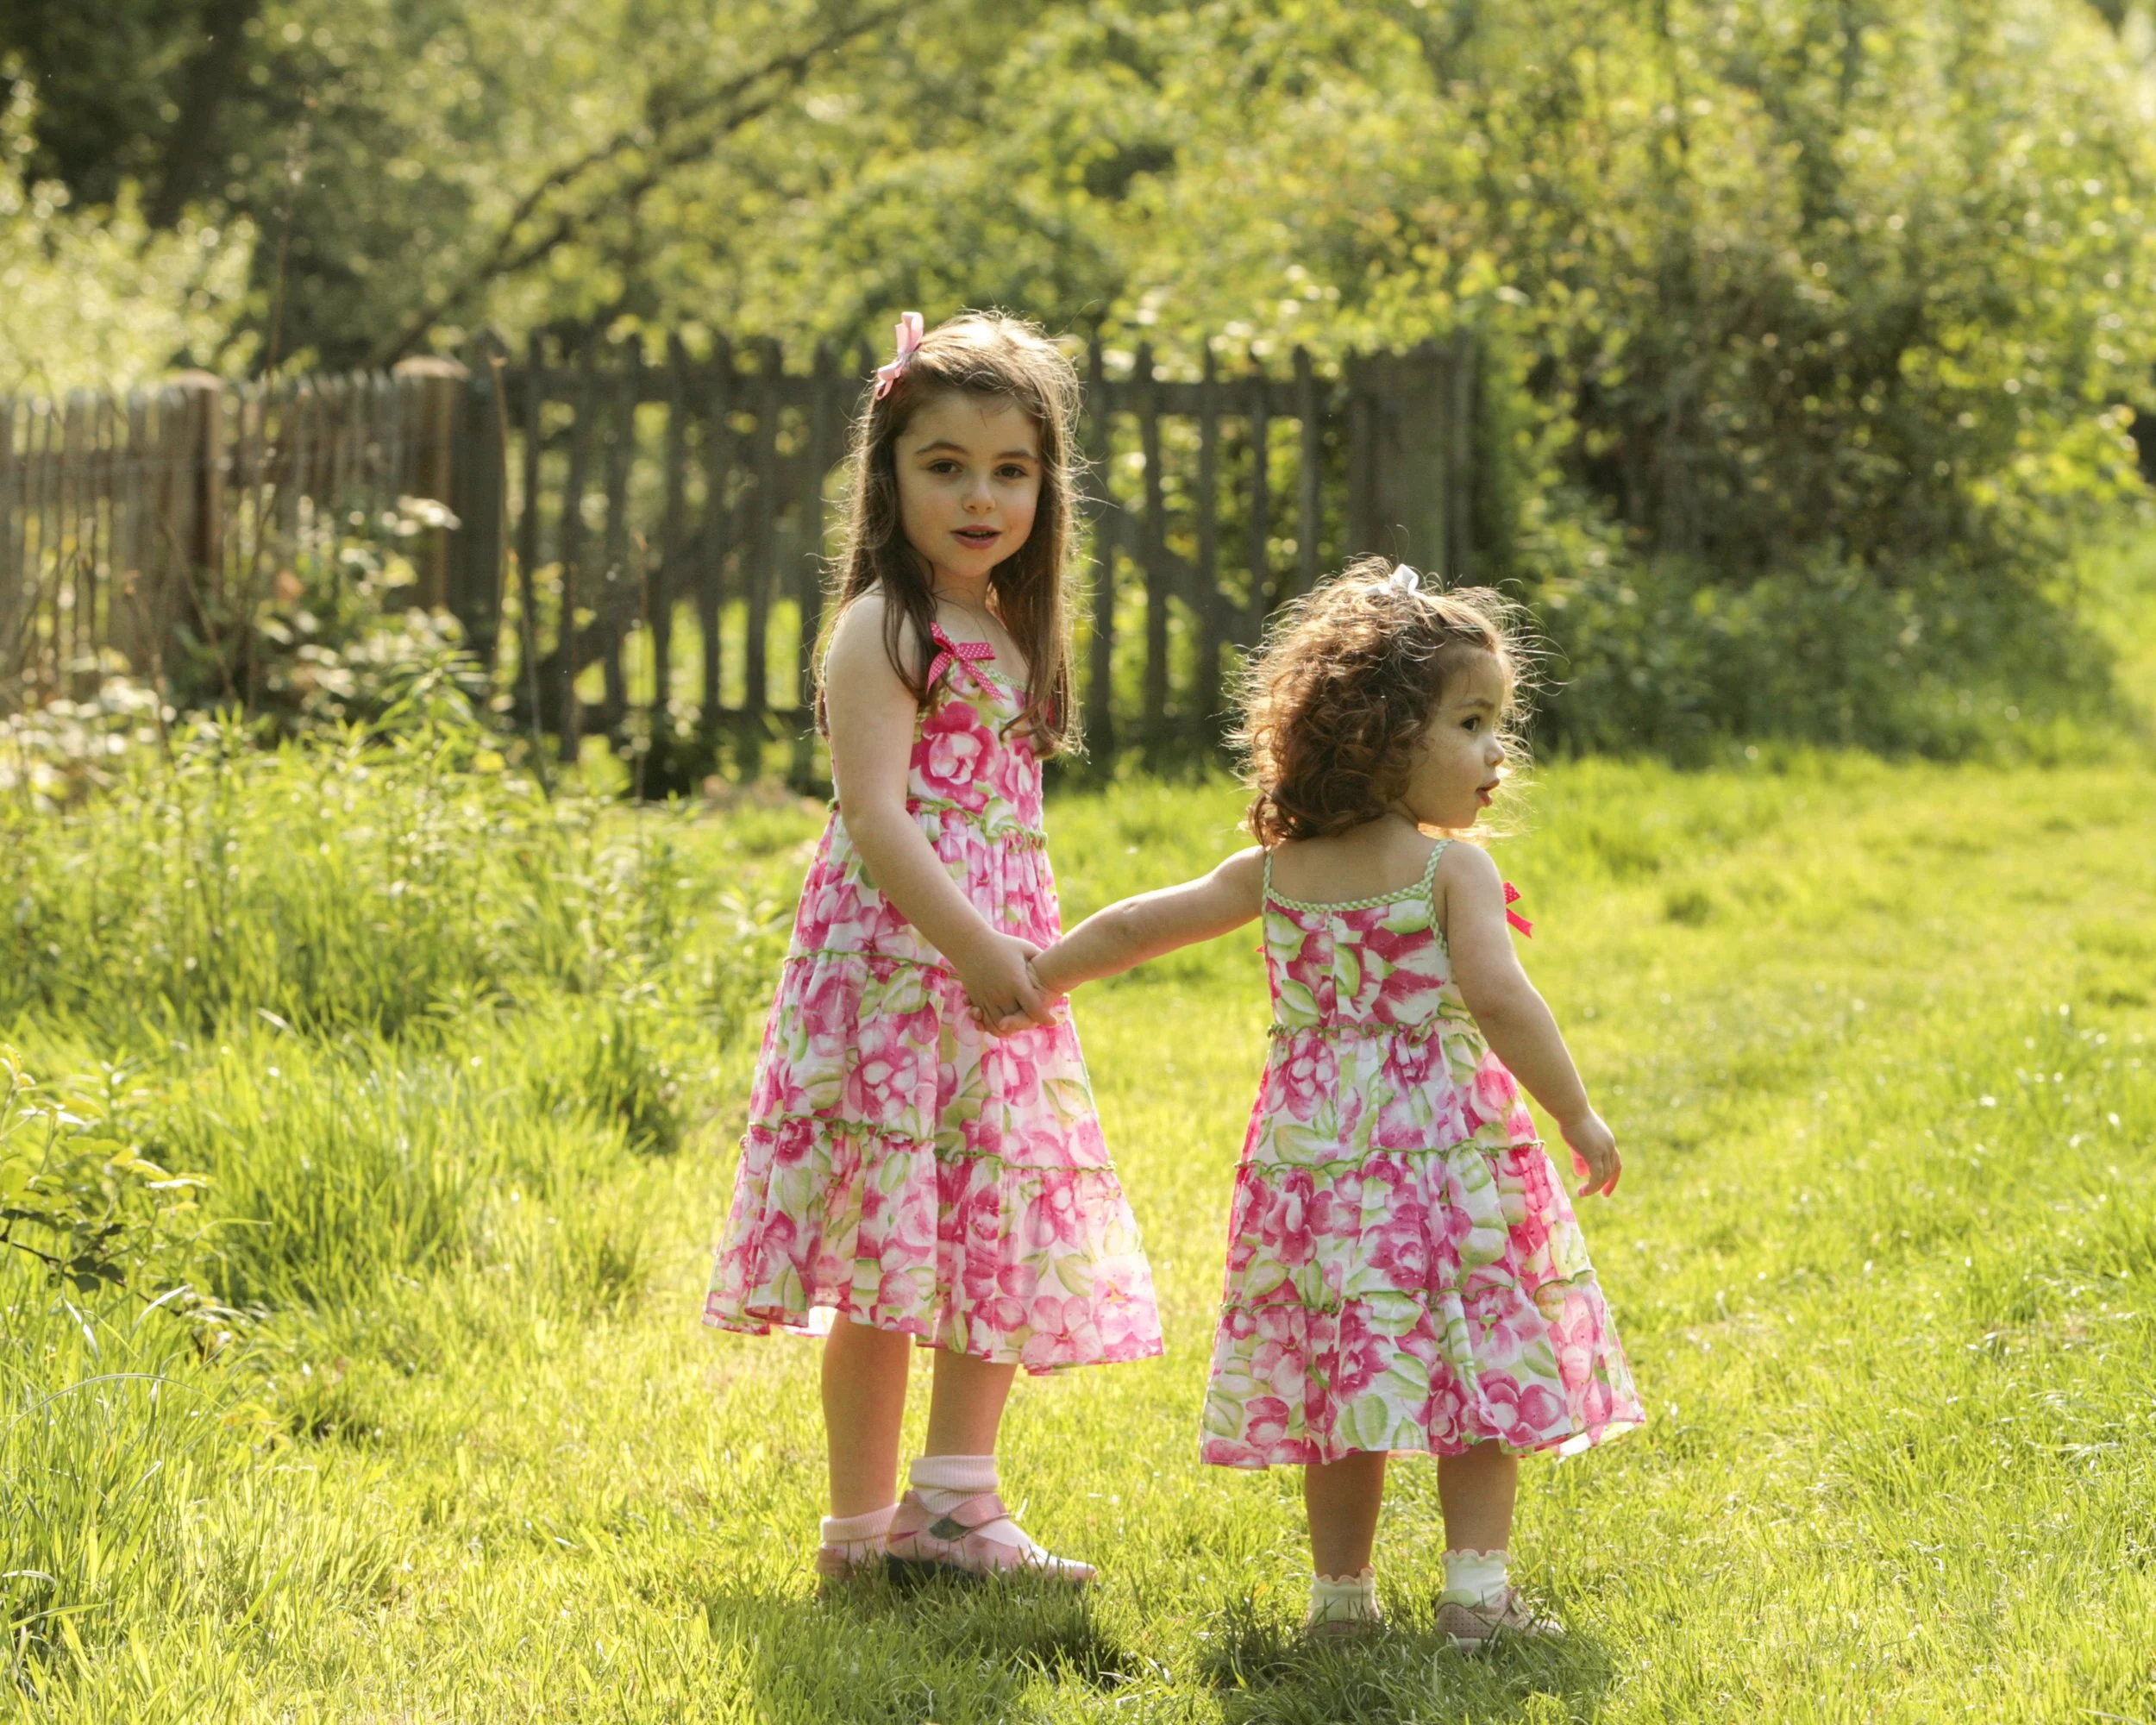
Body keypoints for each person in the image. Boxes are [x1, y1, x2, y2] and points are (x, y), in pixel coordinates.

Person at [1022, 560, 1644, 1646]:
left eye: (1501, 721)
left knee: (1341, 1377)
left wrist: (1039, 975)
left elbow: (1136, 923)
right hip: (1445, 1153)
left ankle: (1341, 1606)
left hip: (1314, 1161)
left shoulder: (1275, 869)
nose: (1501, 751)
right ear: (1382, 735)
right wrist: (1575, 1111)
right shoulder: (1451, 874)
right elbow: (1502, 998)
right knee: (1476, 1357)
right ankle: (1476, 1599)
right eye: (1472, 722)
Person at [704, 311, 1163, 1588]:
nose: (978, 495)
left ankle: (957, 1504)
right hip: (902, 973)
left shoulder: (1009, 630)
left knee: (994, 1220)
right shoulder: (883, 630)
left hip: (992, 972)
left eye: (1009, 470)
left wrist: (1007, 954)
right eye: (944, 465)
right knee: (884, 1253)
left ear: (1044, 487)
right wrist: (972, 946)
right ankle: (858, 1533)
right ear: (889, 474)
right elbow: (875, 818)